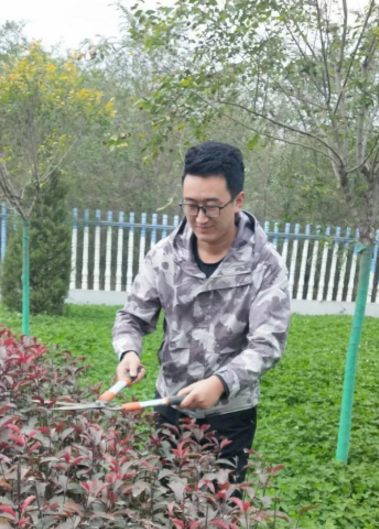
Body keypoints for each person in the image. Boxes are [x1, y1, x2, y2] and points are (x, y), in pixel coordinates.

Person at [112, 141, 291, 484]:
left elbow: (267, 343)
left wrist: (221, 383)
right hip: (169, 406)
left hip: (229, 416)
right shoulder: (164, 255)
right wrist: (128, 351)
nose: (200, 218)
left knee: (219, 505)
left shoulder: (265, 264)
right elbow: (132, 317)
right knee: (161, 501)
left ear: (238, 200)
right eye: (191, 205)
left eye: (211, 207)